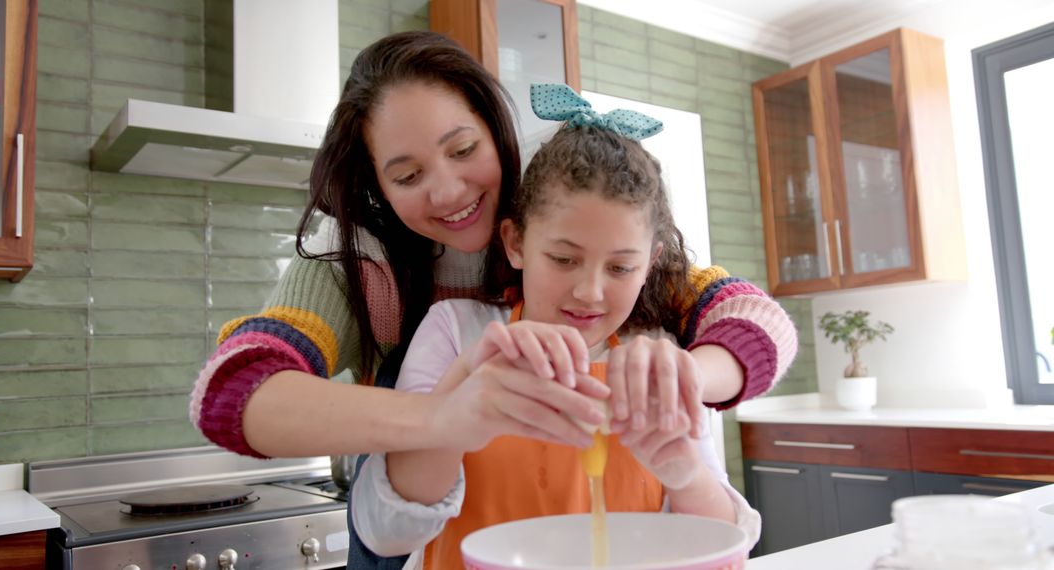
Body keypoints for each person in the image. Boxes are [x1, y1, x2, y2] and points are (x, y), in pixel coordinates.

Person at [188, 30, 795, 469]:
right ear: (377, 185)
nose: (449, 191)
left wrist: (689, 376)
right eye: (407, 175)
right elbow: (231, 391)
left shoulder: (567, 227)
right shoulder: (362, 263)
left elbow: (754, 322)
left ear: (496, 130)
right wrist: (442, 419)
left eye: (461, 149)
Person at [351, 86, 761, 569]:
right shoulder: (456, 332)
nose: (589, 292)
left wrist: (683, 470)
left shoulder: (655, 353)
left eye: (620, 268)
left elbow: (728, 545)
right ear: (516, 242)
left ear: (650, 264)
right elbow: (384, 531)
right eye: (564, 259)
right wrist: (463, 393)